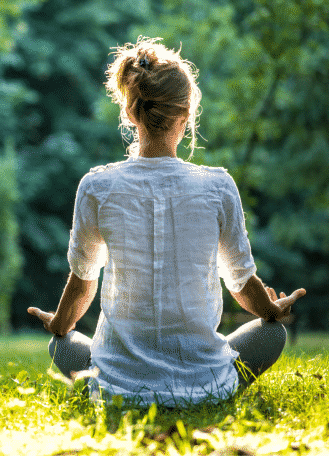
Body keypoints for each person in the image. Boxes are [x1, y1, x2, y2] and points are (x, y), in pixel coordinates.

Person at [27, 38, 306, 407]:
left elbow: (82, 283)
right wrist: (272, 310)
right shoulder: (218, 186)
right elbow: (241, 283)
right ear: (187, 114)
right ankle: (208, 390)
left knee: (60, 345)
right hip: (206, 386)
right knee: (272, 336)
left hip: (117, 391)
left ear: (130, 112)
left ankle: (113, 383)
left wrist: (60, 325)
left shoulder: (96, 186)